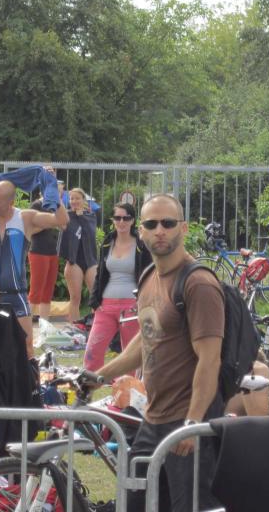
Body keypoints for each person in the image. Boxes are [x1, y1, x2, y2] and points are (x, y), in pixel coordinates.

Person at [92, 193, 225, 512]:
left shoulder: (198, 284)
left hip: (189, 423)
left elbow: (210, 360)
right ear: (141, 231)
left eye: (168, 223)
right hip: (152, 420)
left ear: (184, 228)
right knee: (135, 504)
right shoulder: (149, 277)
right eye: (151, 224)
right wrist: (97, 376)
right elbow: (145, 341)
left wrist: (193, 423)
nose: (160, 231)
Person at [0, 179, 68, 356]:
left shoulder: (25, 218)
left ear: (11, 202)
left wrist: (52, 190)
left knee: (26, 346)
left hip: (16, 294)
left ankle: (29, 375)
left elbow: (62, 220)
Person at [84, 202, 152, 371]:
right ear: (113, 220)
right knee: (92, 352)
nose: (121, 222)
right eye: (117, 218)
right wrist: (94, 301)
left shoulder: (141, 245)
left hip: (131, 307)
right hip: (105, 306)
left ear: (133, 220)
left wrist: (143, 301)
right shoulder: (108, 242)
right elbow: (100, 273)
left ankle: (127, 387)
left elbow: (150, 275)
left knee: (129, 358)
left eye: (126, 218)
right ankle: (90, 385)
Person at [58, 187, 98, 326]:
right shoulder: (66, 216)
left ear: (83, 200)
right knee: (75, 298)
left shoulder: (90, 216)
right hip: (74, 261)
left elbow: (90, 233)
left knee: (95, 297)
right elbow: (61, 227)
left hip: (90, 260)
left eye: (77, 198)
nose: (74, 201)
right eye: (72, 198)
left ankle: (95, 326)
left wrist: (81, 216)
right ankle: (74, 327)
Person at [28, 196, 60, 321]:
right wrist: (48, 223)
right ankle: (25, 325)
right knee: (35, 291)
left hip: (53, 252)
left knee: (48, 292)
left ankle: (44, 325)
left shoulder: (55, 206)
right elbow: (29, 230)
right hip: (38, 252)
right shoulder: (36, 205)